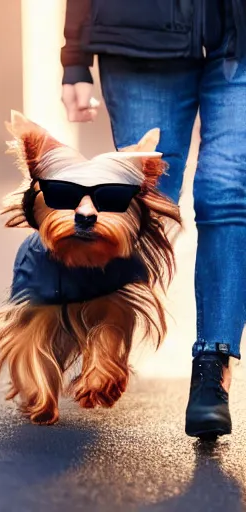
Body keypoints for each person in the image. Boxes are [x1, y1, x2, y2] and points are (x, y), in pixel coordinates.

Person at [60, 0, 246, 439]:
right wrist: (74, 56)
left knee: (227, 191)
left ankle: (212, 369)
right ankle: (99, 337)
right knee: (144, 201)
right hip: (140, 33)